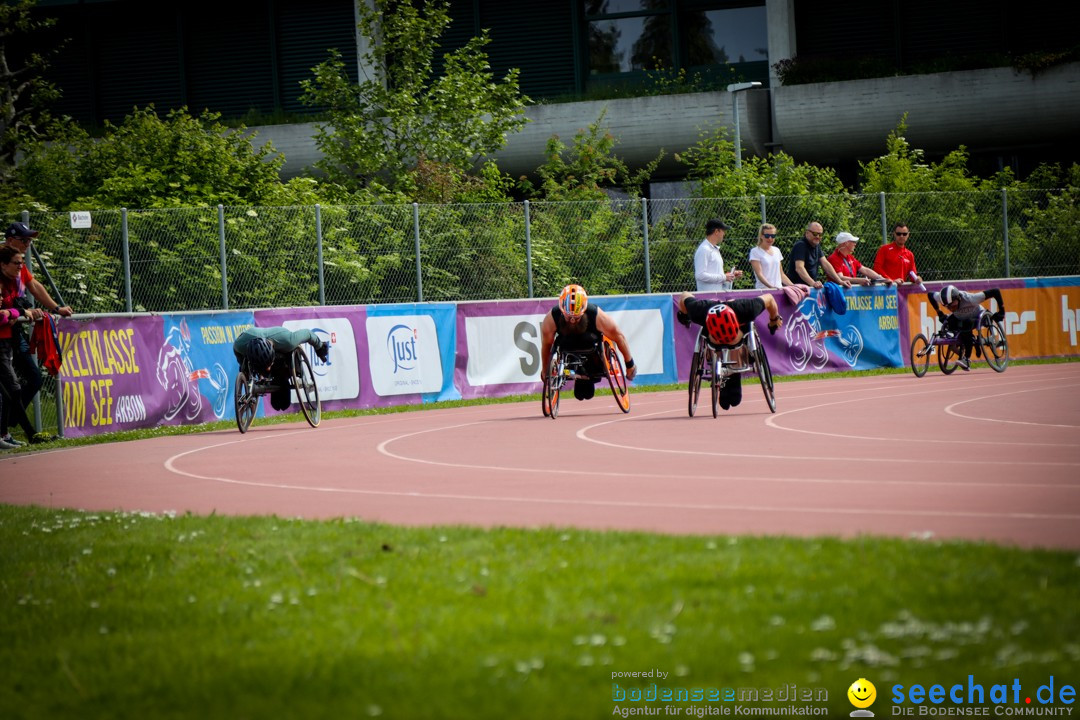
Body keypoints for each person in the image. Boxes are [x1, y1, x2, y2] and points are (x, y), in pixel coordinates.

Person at [3, 222, 73, 435]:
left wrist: (56, 308)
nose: (27, 245)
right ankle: (11, 430)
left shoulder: (18, 263)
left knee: (33, 378)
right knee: (11, 388)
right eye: (24, 240)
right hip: (4, 330)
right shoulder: (6, 260)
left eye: (30, 241)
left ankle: (7, 424)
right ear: (10, 241)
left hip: (12, 330)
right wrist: (19, 311)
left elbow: (33, 286)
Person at [675, 290, 783, 410]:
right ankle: (727, 376)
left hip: (737, 331)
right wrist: (684, 314)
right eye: (721, 340)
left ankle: (734, 374)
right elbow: (685, 295)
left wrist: (774, 319)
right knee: (732, 399)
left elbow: (770, 298)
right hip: (713, 325)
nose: (724, 342)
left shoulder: (747, 309)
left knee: (745, 335)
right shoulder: (699, 311)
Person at [540, 284, 637, 401]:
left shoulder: (595, 314)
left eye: (576, 318)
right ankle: (579, 376)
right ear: (561, 310)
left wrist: (629, 364)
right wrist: (545, 370)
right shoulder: (552, 317)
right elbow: (546, 344)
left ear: (584, 309)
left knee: (585, 393)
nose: (572, 321)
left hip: (591, 349)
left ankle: (588, 376)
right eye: (568, 317)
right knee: (581, 394)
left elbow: (618, 336)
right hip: (567, 346)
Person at [0, 246, 42, 447]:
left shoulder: (13, 282)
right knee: (13, 389)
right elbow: (3, 314)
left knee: (13, 389)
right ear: (3, 264)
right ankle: (29, 434)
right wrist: (15, 313)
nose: (21, 266)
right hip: (2, 342)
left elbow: (13, 309)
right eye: (16, 263)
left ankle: (7, 434)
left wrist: (15, 313)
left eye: (22, 262)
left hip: (7, 341)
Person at [232, 326, 330, 411]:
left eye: (269, 365)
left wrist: (320, 346)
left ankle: (282, 377)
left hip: (282, 353)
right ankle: (262, 368)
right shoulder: (240, 345)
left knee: (292, 352)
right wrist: (244, 371)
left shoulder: (289, 340)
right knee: (245, 367)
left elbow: (308, 334)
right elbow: (237, 352)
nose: (268, 369)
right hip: (251, 344)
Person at [927, 285, 1005, 371]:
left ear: (958, 298)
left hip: (977, 318)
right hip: (961, 318)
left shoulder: (970, 298)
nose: (951, 309)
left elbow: (995, 291)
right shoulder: (943, 298)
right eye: (948, 307)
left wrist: (1002, 311)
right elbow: (930, 295)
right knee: (948, 322)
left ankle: (967, 359)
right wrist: (939, 313)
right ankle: (962, 343)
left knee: (966, 325)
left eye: (953, 306)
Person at [786, 221, 851, 289]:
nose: (817, 237)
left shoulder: (816, 246)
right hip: (798, 289)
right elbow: (799, 268)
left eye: (820, 234)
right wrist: (813, 283)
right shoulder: (800, 246)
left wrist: (840, 281)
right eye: (815, 234)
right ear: (807, 233)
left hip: (809, 288)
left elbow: (825, 264)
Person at [826, 232, 893, 286]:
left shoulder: (850, 257)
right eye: (853, 242)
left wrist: (881, 278)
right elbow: (840, 278)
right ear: (846, 243)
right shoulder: (833, 258)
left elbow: (865, 270)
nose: (855, 244)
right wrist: (859, 280)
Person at [694, 218, 743, 292]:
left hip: (717, 295)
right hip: (707, 298)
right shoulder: (704, 249)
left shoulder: (714, 249)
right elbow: (700, 275)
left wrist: (730, 275)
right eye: (723, 231)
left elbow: (716, 274)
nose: (724, 234)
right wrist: (723, 277)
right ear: (716, 231)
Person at [748, 223, 795, 291]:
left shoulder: (777, 250)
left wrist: (794, 287)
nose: (770, 238)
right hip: (763, 290)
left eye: (773, 236)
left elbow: (781, 274)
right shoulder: (755, 251)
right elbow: (759, 274)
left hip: (778, 289)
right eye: (767, 236)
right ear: (761, 236)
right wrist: (771, 288)